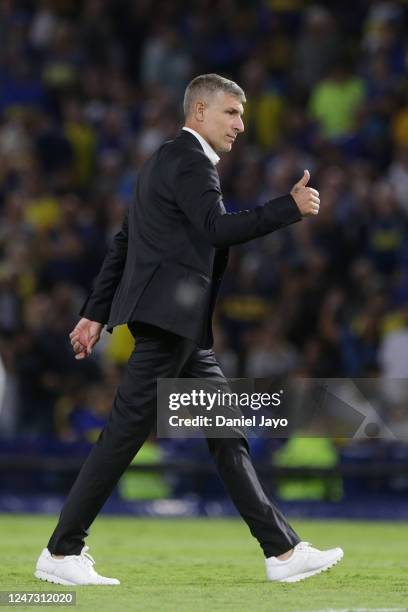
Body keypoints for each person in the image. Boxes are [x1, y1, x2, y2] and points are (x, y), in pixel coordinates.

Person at [35, 74, 343, 585]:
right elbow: (217, 229)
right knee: (123, 437)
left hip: (177, 326)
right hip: (167, 323)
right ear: (199, 112)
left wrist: (94, 314)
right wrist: (289, 209)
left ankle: (283, 553)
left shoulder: (161, 160)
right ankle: (62, 551)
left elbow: (124, 243)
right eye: (231, 113)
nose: (241, 125)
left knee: (226, 433)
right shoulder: (190, 161)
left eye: (242, 115)